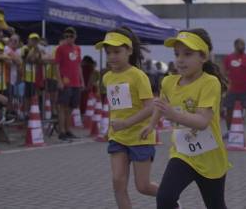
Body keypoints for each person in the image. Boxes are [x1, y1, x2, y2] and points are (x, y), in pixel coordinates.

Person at [141, 29, 230, 209]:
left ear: (203, 57)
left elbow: (203, 122)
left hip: (210, 157)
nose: (180, 59)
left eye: (188, 54)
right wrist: (151, 125)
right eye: (177, 54)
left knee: (216, 205)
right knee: (165, 199)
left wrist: (174, 115)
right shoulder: (168, 82)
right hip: (183, 153)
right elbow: (161, 104)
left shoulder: (210, 83)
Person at [95, 27, 158, 209]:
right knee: (118, 182)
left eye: (117, 52)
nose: (112, 56)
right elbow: (115, 107)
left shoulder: (138, 76)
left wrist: (126, 123)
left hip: (140, 137)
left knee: (143, 186)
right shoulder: (107, 78)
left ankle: (170, 198)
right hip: (118, 137)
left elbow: (150, 107)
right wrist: (111, 128)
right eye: (108, 53)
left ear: (129, 51)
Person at [55, 27, 84, 141]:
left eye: (71, 36)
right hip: (65, 82)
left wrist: (82, 81)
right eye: (66, 36)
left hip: (75, 82)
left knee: (71, 108)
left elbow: (78, 65)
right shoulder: (60, 49)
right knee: (62, 107)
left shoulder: (77, 49)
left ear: (75, 37)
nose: (68, 38)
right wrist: (59, 81)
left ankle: (67, 130)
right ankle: (62, 131)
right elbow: (56, 66)